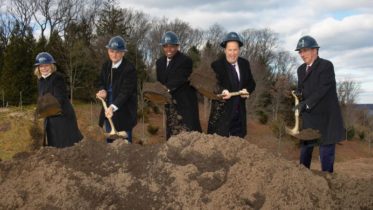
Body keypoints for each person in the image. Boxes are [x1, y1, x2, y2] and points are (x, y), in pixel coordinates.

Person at [295, 35, 345, 173]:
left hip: (326, 119)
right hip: (310, 119)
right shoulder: (300, 70)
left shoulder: (326, 66)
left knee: (326, 157)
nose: (302, 54)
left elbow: (323, 89)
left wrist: (306, 103)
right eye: (300, 51)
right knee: (304, 154)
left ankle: (328, 185)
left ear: (315, 50)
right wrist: (297, 95)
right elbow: (302, 89)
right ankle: (303, 180)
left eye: (305, 50)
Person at [207, 32, 256, 138]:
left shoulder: (244, 64)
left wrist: (247, 90)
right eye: (230, 50)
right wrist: (222, 91)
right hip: (221, 116)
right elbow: (213, 85)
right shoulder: (216, 65)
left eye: (235, 50)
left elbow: (252, 83)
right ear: (225, 50)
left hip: (239, 116)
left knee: (237, 147)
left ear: (239, 50)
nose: (232, 53)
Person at [156, 31, 202, 139]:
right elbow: (160, 80)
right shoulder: (159, 62)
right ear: (163, 47)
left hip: (186, 103)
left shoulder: (186, 61)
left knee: (189, 132)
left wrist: (165, 88)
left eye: (172, 46)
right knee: (172, 131)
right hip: (170, 103)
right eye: (166, 46)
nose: (169, 49)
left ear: (177, 46)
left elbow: (180, 78)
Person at [34, 52, 83, 148]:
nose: (44, 68)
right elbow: (42, 97)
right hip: (50, 116)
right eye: (41, 66)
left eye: (46, 65)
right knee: (54, 144)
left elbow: (59, 98)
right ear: (38, 68)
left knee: (66, 144)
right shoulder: (40, 80)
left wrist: (43, 109)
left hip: (62, 115)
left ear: (51, 66)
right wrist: (39, 108)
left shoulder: (57, 78)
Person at [96, 35, 137, 143]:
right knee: (110, 146)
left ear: (123, 53)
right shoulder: (106, 66)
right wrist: (102, 90)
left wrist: (113, 107)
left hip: (124, 113)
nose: (114, 54)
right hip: (108, 114)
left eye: (118, 52)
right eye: (111, 51)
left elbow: (126, 92)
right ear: (108, 51)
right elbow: (101, 82)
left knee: (124, 149)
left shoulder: (129, 69)